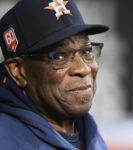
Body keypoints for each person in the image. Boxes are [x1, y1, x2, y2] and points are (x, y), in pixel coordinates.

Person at [0, 0, 109, 149]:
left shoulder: (90, 134)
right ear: (18, 71)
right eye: (59, 56)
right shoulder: (7, 141)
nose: (83, 69)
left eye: (87, 51)